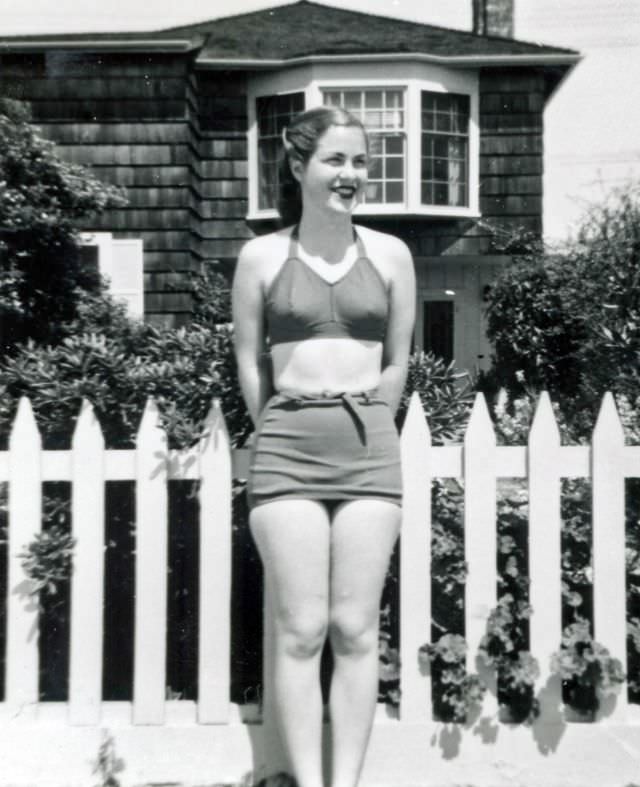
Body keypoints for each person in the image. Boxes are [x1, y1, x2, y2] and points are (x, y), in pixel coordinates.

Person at [232, 105, 416, 787]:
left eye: (361, 161)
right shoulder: (261, 257)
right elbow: (251, 363)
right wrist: (282, 421)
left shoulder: (391, 255)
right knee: (302, 626)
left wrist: (372, 418)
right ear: (298, 166)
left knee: (355, 626)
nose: (351, 174)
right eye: (336, 159)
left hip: (369, 450)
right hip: (285, 451)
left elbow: (398, 360)